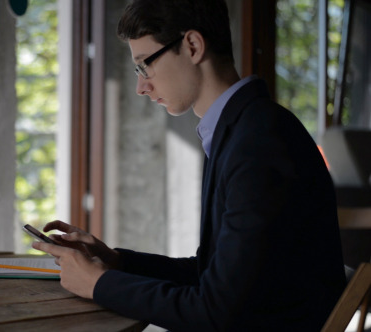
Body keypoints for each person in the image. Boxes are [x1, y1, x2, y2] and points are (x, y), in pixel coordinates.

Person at [32, 0, 346, 330]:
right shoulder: (242, 129)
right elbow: (211, 274)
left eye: (144, 65)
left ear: (193, 46)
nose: (141, 87)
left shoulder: (258, 143)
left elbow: (215, 311)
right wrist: (116, 262)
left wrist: (98, 284)